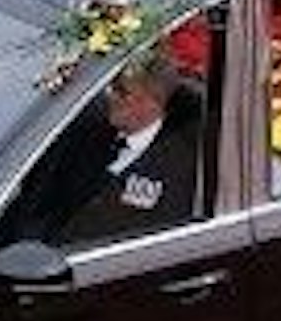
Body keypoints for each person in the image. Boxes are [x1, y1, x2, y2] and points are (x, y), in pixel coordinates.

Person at [30, 54, 203, 248]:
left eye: (122, 91)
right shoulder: (85, 133)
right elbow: (44, 202)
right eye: (112, 86)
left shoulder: (177, 168)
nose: (110, 95)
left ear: (152, 101)